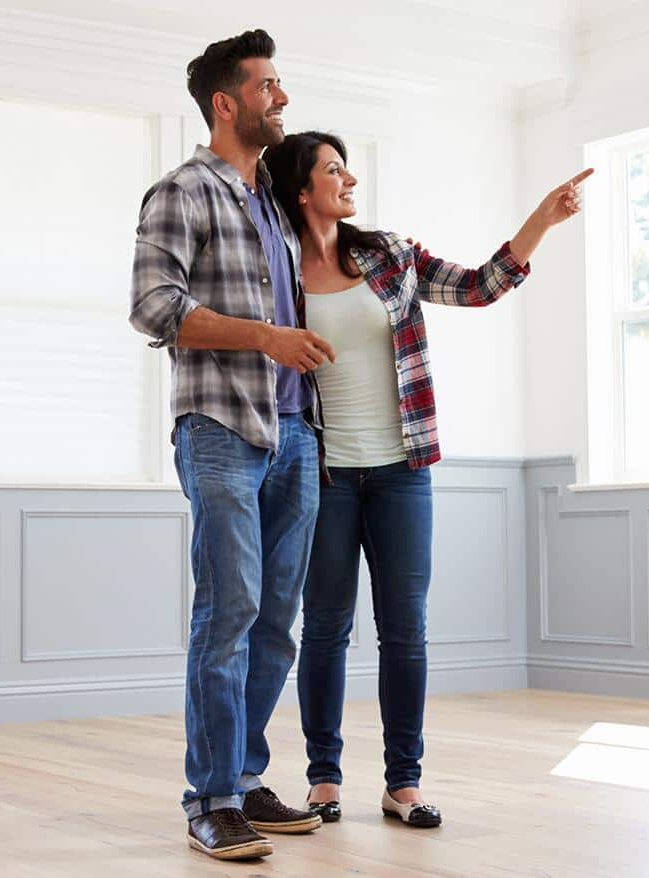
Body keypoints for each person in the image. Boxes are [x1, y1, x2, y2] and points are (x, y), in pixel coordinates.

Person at [262, 131, 591, 828]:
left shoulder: (388, 255)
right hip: (320, 473)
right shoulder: (276, 271)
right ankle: (324, 779)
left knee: (404, 631)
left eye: (347, 167)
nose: (348, 179)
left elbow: (477, 288)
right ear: (301, 190)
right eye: (333, 170)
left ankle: (402, 783)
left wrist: (540, 222)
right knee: (323, 628)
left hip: (401, 470)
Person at [129, 31, 337, 862]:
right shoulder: (182, 192)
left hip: (295, 434)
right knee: (230, 614)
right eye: (269, 86)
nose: (281, 98)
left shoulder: (274, 209)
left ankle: (246, 779)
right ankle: (209, 798)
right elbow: (153, 307)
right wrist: (265, 338)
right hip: (221, 429)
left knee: (277, 624)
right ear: (227, 101)